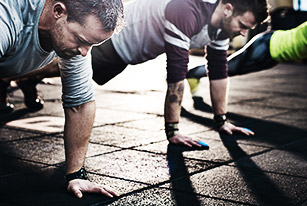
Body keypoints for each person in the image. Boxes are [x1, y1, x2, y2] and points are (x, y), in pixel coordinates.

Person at [10, 0, 270, 148]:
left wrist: (221, 120)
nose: (244, 33)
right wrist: (173, 131)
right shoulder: (186, 11)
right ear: (227, 9)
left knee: (65, 71)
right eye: (243, 25)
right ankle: (15, 76)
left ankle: (27, 79)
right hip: (113, 40)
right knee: (61, 65)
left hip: (130, 54)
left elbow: (219, 71)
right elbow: (177, 74)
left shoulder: (223, 29)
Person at [0, 0, 124, 198]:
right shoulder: (6, 17)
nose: (84, 52)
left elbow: (81, 103)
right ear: (58, 11)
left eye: (91, 45)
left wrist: (76, 174)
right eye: (81, 40)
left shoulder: (74, 40)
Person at [187, 0, 307, 119]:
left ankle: (194, 75)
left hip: (273, 56)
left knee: (232, 69)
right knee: (227, 68)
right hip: (268, 45)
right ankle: (191, 74)